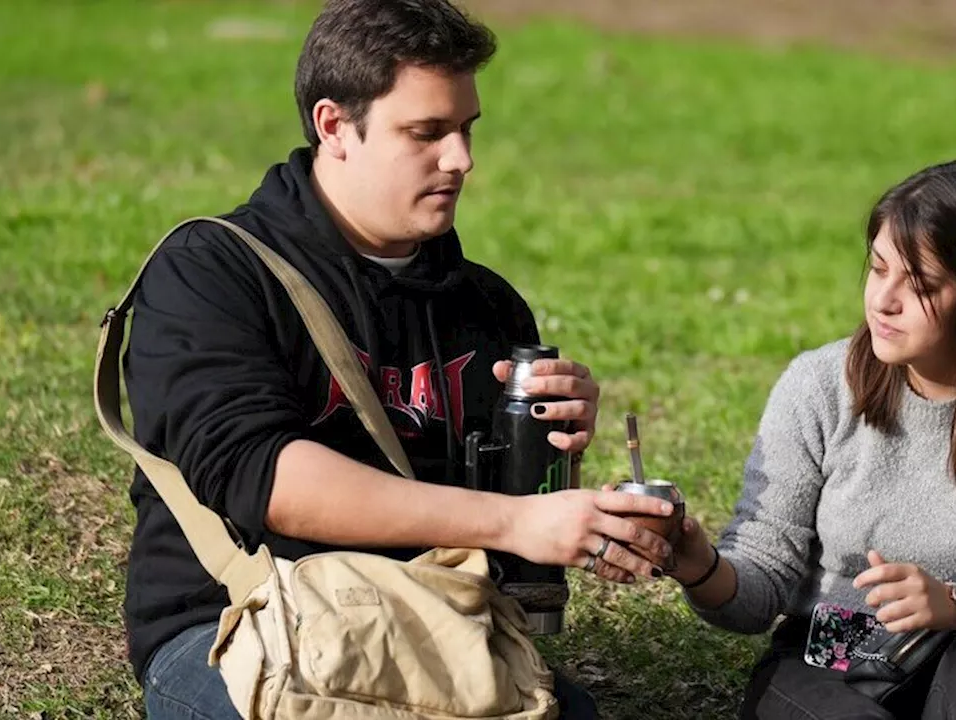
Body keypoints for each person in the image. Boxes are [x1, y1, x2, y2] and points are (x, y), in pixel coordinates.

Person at [123, 2, 673, 718]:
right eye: (427, 133)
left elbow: (494, 553)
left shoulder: (486, 307)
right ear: (333, 126)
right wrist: (508, 522)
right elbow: (265, 479)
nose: (461, 159)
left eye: (466, 130)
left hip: (425, 623)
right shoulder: (212, 272)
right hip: (240, 626)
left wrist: (550, 477)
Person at [665, 158, 956, 719]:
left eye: (920, 283)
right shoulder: (819, 385)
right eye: (879, 269)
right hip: (827, 652)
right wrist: (699, 564)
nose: (883, 299)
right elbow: (761, 583)